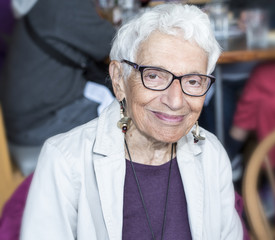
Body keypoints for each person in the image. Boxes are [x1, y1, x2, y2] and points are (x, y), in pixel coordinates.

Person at [20, 4, 243, 239]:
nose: (176, 101)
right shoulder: (65, 162)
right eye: (154, 76)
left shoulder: (211, 155)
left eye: (193, 81)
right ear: (119, 80)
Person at [0, 0, 116, 175]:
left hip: (27, 117)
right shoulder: (66, 5)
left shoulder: (47, 4)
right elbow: (111, 44)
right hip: (38, 125)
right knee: (128, 117)